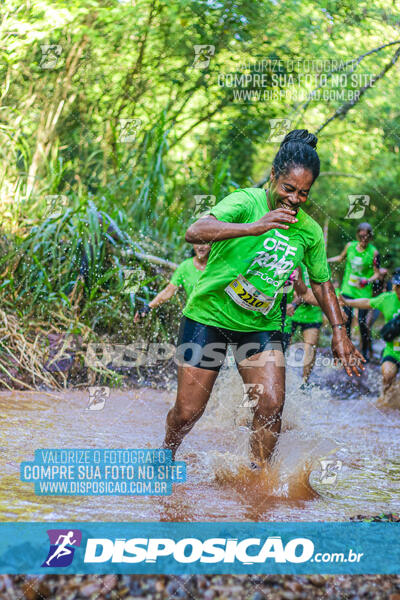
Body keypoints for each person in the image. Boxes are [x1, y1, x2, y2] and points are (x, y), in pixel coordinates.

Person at [162, 129, 364, 467]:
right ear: (273, 177)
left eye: (304, 193)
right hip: (208, 317)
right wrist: (257, 226)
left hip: (260, 325)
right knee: (187, 411)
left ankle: (257, 481)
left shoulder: (309, 231)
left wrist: (340, 331)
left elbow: (321, 283)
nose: (295, 199)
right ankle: (165, 454)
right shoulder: (245, 202)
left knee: (271, 405)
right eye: (288, 189)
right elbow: (195, 231)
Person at [341, 268, 400, 405]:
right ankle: (384, 399)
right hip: (393, 352)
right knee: (388, 374)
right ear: (395, 286)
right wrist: (347, 302)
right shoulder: (388, 299)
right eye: (398, 287)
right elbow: (368, 302)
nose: (398, 291)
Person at [328, 223, 379, 361]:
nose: (364, 239)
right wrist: (325, 260)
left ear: (370, 237)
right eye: (361, 236)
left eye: (367, 237)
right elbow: (340, 258)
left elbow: (377, 274)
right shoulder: (350, 246)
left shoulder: (373, 252)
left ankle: (365, 351)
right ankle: (347, 349)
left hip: (363, 292)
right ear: (358, 235)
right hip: (348, 289)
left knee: (363, 323)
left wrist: (367, 280)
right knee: (346, 320)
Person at [134, 243, 211, 322]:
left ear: (212, 245)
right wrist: (148, 307)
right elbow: (169, 291)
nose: (201, 247)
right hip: (195, 318)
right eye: (198, 242)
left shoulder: (219, 265)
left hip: (219, 319)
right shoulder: (185, 266)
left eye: (205, 243)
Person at [289, 263, 324, 384]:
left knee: (310, 347)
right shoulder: (296, 260)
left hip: (313, 314)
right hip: (292, 312)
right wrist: (299, 296)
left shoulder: (321, 264)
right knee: (282, 345)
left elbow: (324, 289)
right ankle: (282, 377)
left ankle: (305, 382)